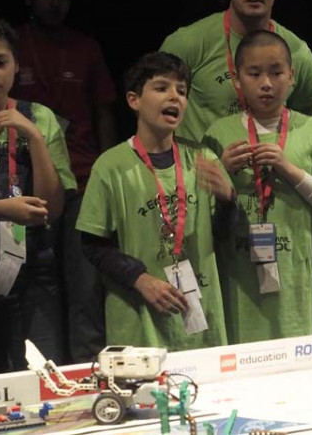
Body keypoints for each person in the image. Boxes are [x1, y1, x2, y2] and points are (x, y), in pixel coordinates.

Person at [77, 52, 234, 350]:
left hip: (199, 316)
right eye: (162, 88)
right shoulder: (110, 166)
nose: (174, 96)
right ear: (134, 100)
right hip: (140, 322)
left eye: (182, 91)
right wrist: (140, 279)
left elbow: (222, 236)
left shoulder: (202, 158)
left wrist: (228, 200)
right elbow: (93, 244)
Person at [203, 30, 312, 343]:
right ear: (237, 79)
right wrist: (222, 169)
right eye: (254, 74)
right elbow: (198, 208)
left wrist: (288, 169)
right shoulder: (219, 133)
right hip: (239, 282)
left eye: (276, 72)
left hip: (298, 284)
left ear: (292, 76)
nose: (266, 83)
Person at [0, 13, 75, 377]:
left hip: (32, 269)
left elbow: (53, 208)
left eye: (0, 62)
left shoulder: (39, 117)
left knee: (45, 377)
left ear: (15, 66)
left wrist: (36, 139)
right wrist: (2, 209)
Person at [16, 0, 117, 363]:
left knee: (85, 283)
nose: (55, 3)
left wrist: (106, 169)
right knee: (37, 281)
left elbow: (105, 110)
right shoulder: (14, 45)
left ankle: (88, 368)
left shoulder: (86, 48)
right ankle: (43, 369)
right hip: (30, 184)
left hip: (84, 178)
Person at [161, 0, 312, 144]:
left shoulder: (297, 53)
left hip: (269, 173)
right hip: (200, 173)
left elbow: (307, 124)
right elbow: (153, 109)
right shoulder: (187, 43)